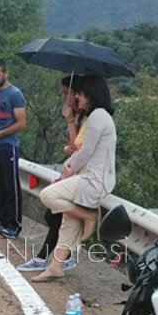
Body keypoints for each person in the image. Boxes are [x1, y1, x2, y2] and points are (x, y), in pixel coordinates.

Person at [32, 75, 117, 283]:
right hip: (86, 176)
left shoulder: (98, 116)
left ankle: (89, 217)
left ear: (91, 94)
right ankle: (55, 267)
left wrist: (68, 171)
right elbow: (82, 149)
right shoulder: (93, 116)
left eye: (80, 94)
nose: (77, 98)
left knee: (48, 195)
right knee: (68, 223)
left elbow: (86, 151)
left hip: (93, 179)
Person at [17, 75, 84, 272]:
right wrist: (67, 149)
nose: (64, 96)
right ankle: (63, 255)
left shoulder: (85, 117)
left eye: (67, 93)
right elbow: (73, 146)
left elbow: (79, 146)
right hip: (71, 172)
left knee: (55, 216)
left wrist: (70, 120)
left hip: (79, 175)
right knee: (55, 217)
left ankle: (45, 258)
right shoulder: (77, 115)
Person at [0, 58, 27, 240]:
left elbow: (21, 123)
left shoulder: (15, 94)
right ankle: (3, 221)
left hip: (8, 145)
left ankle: (14, 224)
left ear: (6, 74)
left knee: (11, 186)